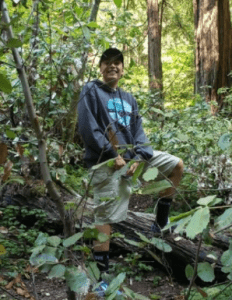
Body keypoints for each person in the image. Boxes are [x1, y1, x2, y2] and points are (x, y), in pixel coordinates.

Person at [78, 48, 183, 294]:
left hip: (133, 158)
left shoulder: (129, 98)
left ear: (123, 69)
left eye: (117, 63)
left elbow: (140, 134)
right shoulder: (91, 91)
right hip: (106, 161)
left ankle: (160, 221)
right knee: (104, 216)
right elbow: (87, 127)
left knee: (176, 165)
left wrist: (137, 157)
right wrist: (113, 154)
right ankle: (101, 277)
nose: (113, 66)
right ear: (100, 67)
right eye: (107, 62)